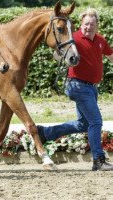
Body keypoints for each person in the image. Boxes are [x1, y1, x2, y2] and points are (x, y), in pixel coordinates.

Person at [37, 8, 113, 171]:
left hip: (92, 89)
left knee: (83, 124)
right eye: (86, 24)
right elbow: (57, 54)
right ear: (81, 24)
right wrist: (61, 54)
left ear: (96, 25)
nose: (88, 27)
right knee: (96, 121)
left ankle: (45, 133)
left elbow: (111, 56)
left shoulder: (100, 40)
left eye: (92, 24)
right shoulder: (75, 38)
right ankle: (98, 160)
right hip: (77, 86)